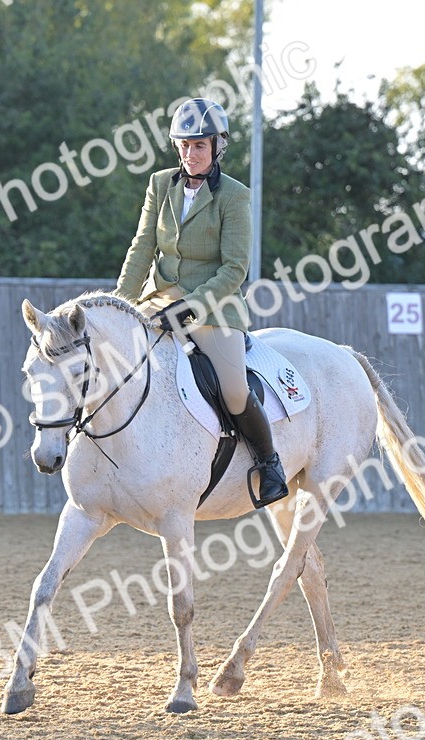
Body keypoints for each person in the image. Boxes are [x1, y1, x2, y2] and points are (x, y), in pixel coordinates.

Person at [113, 97, 287, 508]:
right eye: (184, 146)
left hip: (214, 306)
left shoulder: (234, 196)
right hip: (158, 300)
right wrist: (121, 305)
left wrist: (191, 306)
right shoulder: (160, 184)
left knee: (231, 389)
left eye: (199, 146)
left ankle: (269, 462)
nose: (190, 154)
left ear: (217, 147)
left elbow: (234, 269)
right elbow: (142, 248)